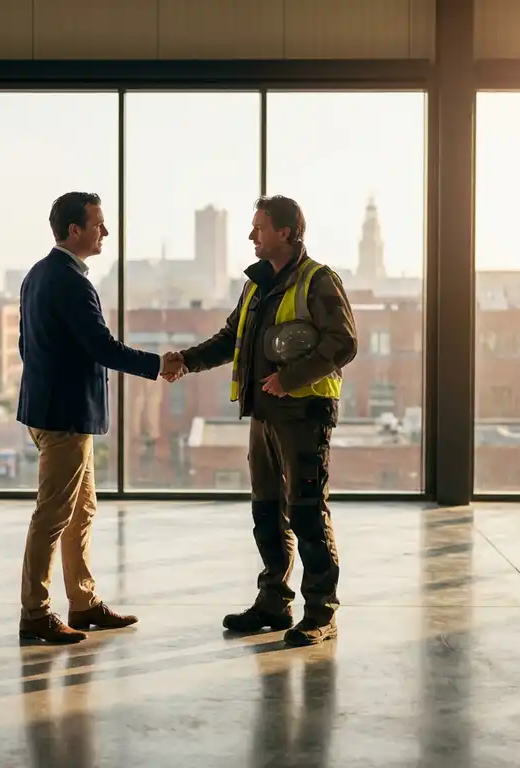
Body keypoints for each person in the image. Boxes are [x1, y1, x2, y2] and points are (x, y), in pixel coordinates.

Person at [166, 195, 358, 646]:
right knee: (267, 513)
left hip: (305, 414)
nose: (252, 235)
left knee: (307, 513)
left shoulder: (318, 280)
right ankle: (274, 602)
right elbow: (230, 338)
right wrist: (185, 361)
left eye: (260, 227)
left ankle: (321, 613)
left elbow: (344, 342)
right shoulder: (256, 285)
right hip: (265, 415)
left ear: (285, 232)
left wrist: (290, 379)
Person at [17, 191, 179, 644]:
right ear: (75, 230)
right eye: (98, 224)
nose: (105, 231)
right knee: (53, 515)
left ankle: (83, 603)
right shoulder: (71, 282)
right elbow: (102, 347)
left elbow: (26, 346)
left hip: (51, 412)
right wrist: (158, 365)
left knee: (80, 510)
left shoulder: (36, 275)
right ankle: (35, 613)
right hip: (64, 418)